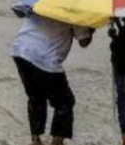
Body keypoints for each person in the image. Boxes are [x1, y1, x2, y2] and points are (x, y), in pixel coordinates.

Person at [12, 15, 94, 145]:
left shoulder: (44, 1)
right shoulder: (75, 11)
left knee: (36, 96)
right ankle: (57, 140)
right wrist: (92, 26)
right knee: (65, 102)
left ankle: (36, 139)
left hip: (20, 49)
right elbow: (84, 41)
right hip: (45, 58)